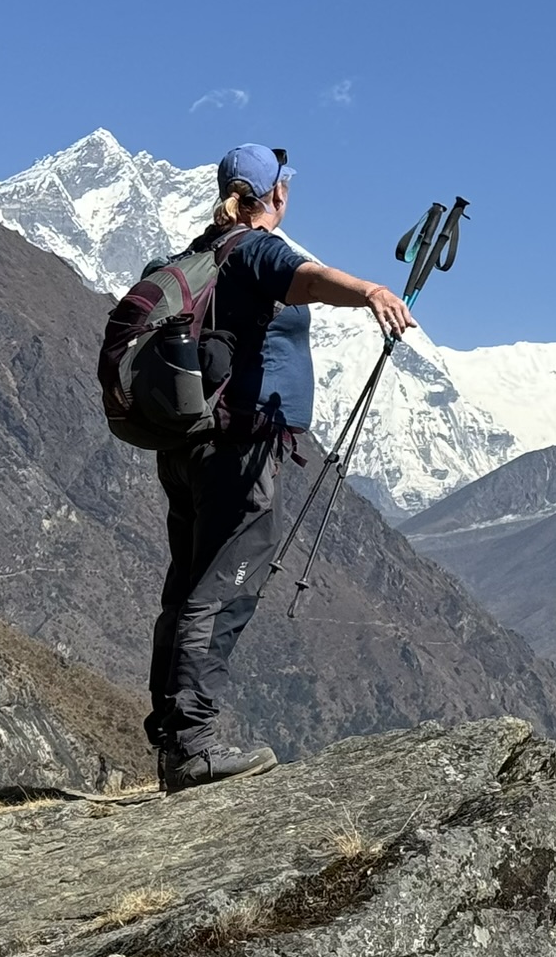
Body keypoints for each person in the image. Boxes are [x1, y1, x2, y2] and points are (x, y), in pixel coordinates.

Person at [147, 143, 417, 792]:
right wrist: (371, 290)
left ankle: (175, 738)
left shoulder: (195, 254)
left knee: (187, 587)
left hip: (186, 447)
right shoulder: (255, 250)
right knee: (223, 588)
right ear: (277, 195)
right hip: (238, 450)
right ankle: (194, 743)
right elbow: (310, 280)